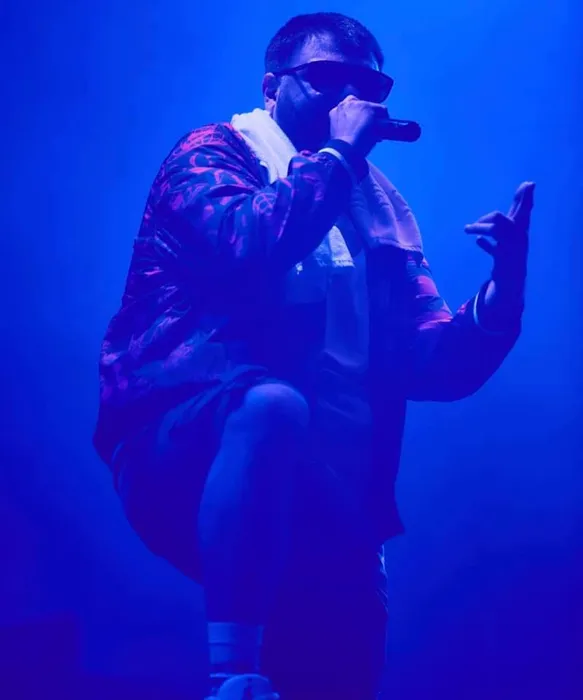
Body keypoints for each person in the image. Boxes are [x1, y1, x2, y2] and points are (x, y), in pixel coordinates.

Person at [93, 11, 535, 700]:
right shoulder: (211, 155)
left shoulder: (381, 212)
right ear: (272, 86)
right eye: (326, 77)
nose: (350, 96)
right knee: (270, 404)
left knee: (339, 669)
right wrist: (337, 156)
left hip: (329, 496)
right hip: (190, 435)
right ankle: (233, 679)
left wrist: (503, 289)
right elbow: (244, 244)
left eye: (369, 85)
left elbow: (430, 362)